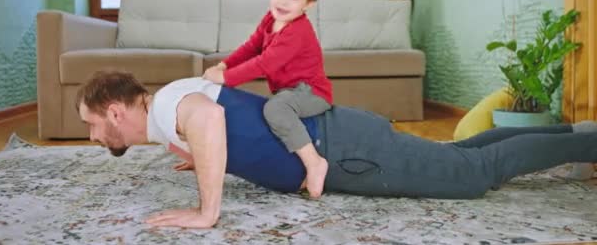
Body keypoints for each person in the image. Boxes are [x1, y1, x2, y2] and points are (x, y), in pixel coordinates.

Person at [76, 70, 597, 229]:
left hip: (344, 149)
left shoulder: (170, 107)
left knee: (472, 174)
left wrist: (206, 211)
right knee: (470, 156)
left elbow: (211, 117)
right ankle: (574, 137)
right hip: (341, 134)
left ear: (115, 111)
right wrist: (206, 155)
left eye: (93, 125)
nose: (94, 137)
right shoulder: (170, 104)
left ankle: (589, 140)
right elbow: (220, 121)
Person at [202, 0, 332, 198]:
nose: (283, 1)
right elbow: (251, 47)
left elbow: (264, 64)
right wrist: (224, 64)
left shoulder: (297, 31)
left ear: (309, 3)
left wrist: (226, 78)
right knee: (273, 107)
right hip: (290, 92)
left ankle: (315, 163)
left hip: (312, 92)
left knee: (276, 110)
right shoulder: (271, 19)